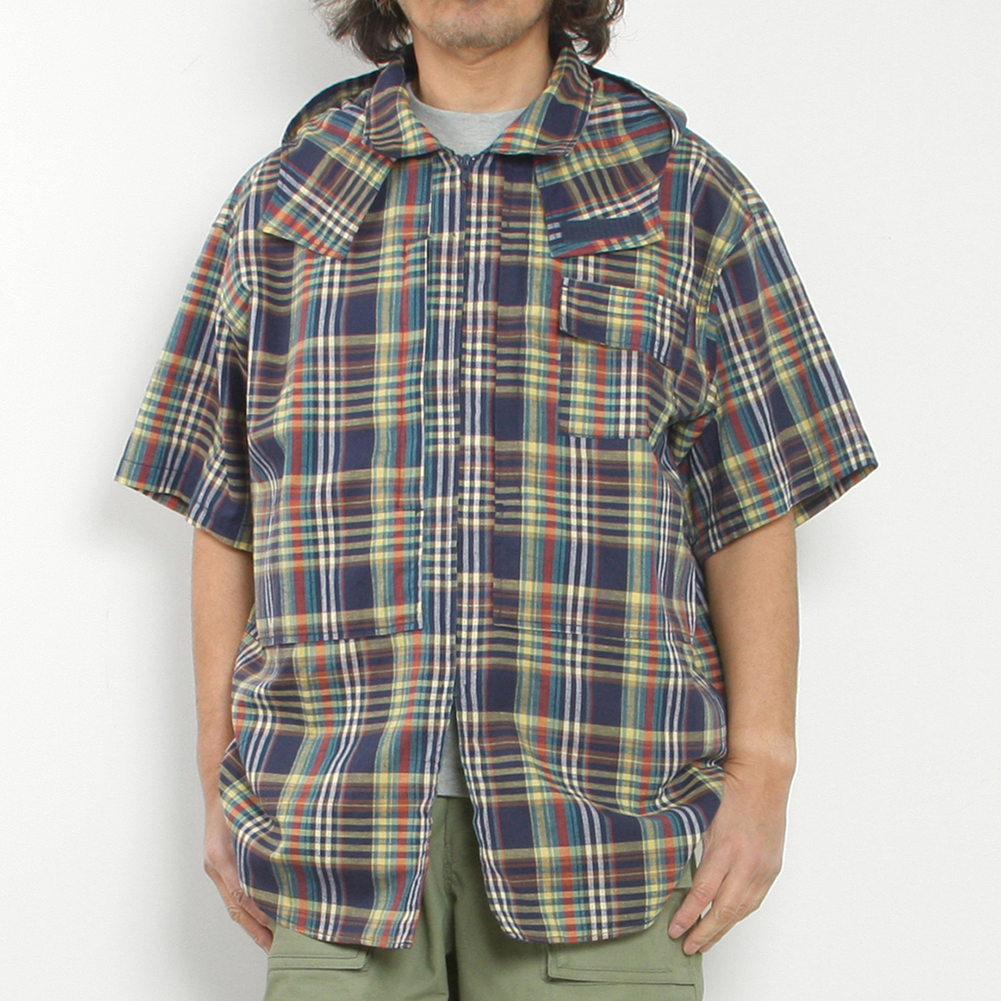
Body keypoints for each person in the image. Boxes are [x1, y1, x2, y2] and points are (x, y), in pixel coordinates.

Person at [113, 1, 877, 997]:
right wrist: (217, 777)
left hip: (605, 832)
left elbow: (752, 496)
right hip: (332, 828)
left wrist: (763, 771)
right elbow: (225, 505)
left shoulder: (681, 191)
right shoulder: (284, 201)